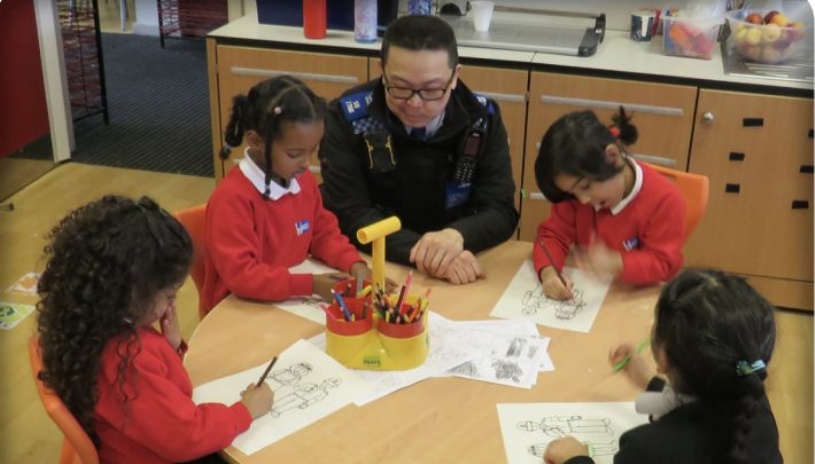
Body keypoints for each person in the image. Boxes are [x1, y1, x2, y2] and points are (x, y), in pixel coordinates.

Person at [35, 195, 274, 464]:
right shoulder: (130, 358)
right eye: (169, 294)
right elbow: (185, 437)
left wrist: (170, 347)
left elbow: (155, 398)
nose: (173, 302)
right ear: (129, 294)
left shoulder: (87, 326)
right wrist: (244, 411)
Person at [319, 14, 519, 285]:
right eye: (400, 87)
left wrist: (455, 236)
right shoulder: (348, 117)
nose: (414, 104)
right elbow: (349, 212)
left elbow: (500, 210)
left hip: (460, 257)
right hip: (380, 263)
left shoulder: (482, 119)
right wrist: (427, 254)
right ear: (382, 70)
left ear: (455, 76)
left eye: (432, 90)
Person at [543, 268, 782, 464]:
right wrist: (649, 383)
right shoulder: (753, 402)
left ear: (664, 357)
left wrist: (576, 459)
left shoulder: (645, 450)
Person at [202, 75, 376, 313]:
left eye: (312, 151)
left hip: (287, 302)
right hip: (238, 309)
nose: (306, 163)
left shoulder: (301, 180)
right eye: (295, 154)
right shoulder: (232, 199)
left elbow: (323, 232)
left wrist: (353, 263)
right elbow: (242, 276)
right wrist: (311, 284)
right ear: (256, 141)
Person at [533, 108, 685, 300]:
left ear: (612, 157)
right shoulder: (576, 194)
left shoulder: (665, 200)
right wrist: (549, 273)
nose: (583, 200)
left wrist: (617, 263)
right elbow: (552, 235)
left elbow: (664, 263)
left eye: (586, 186)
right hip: (592, 298)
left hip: (637, 299)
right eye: (572, 193)